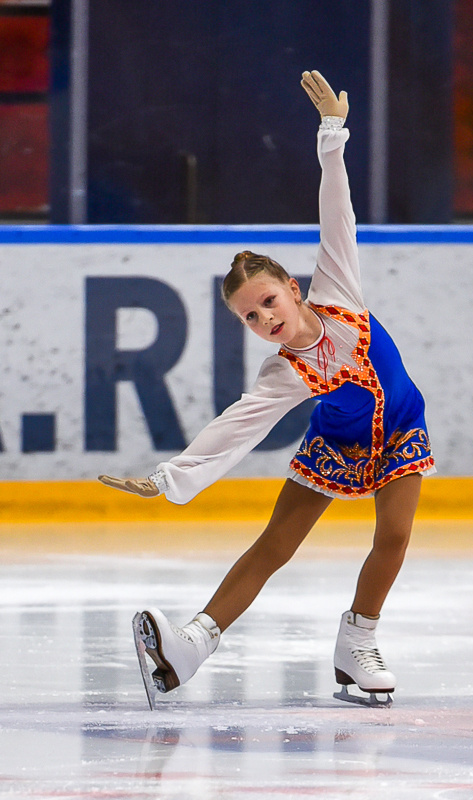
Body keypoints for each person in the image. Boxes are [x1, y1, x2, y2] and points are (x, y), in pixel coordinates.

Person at [99, 70, 435, 706]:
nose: (265, 320)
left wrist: (331, 135)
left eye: (268, 302)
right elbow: (237, 426)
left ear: (293, 288)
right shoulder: (283, 372)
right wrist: (172, 477)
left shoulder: (338, 293)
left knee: (392, 537)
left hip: (400, 429)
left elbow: (337, 212)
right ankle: (192, 644)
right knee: (275, 544)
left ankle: (357, 642)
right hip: (335, 443)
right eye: (250, 318)